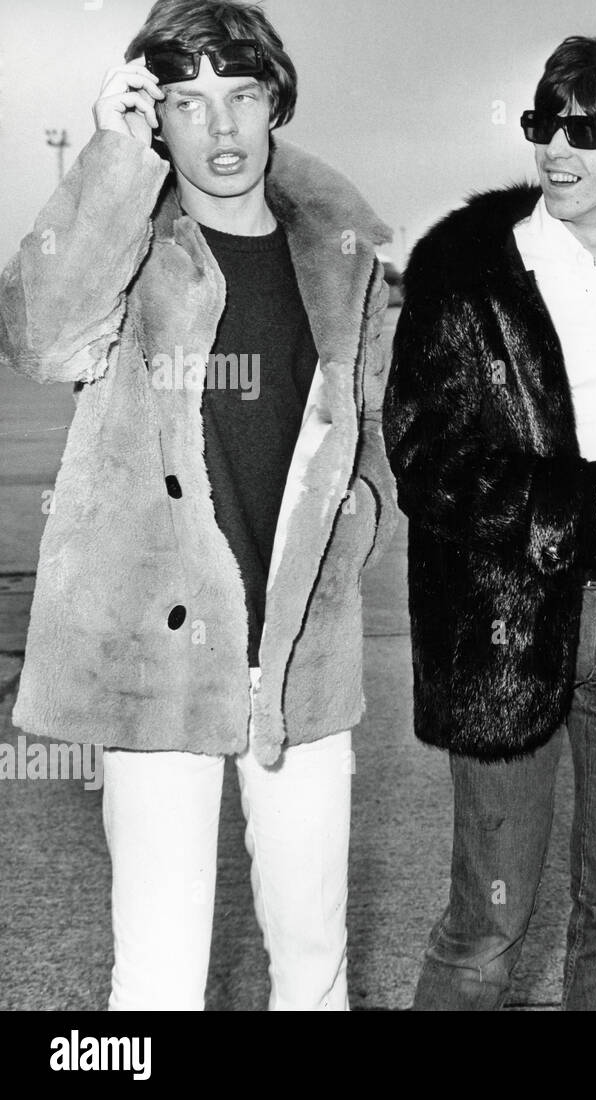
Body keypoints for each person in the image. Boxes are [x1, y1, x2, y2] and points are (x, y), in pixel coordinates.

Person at [0, 0, 396, 1009]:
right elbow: (41, 338)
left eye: (241, 95)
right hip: (157, 665)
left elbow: (371, 431)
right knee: (162, 975)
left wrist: (355, 527)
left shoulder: (339, 257)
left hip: (301, 654)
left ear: (275, 105)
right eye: (185, 101)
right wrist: (107, 158)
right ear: (154, 118)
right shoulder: (131, 249)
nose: (218, 128)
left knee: (313, 955)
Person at [384, 35, 596, 1011]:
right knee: (488, 923)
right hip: (511, 615)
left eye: (587, 129)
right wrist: (579, 499)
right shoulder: (465, 275)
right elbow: (425, 458)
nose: (557, 148)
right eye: (545, 124)